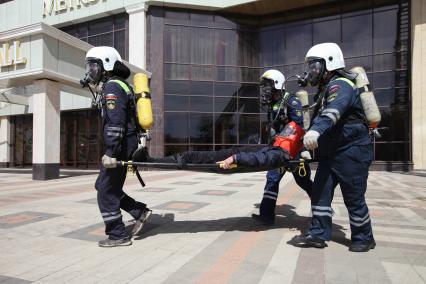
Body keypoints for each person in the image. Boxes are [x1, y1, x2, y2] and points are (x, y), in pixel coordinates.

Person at [291, 42, 375, 252]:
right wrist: (306, 145)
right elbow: (320, 120)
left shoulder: (341, 85)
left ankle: (364, 238)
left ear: (329, 63)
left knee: (353, 198)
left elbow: (333, 112)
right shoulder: (324, 91)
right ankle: (318, 234)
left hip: (352, 152)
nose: (311, 71)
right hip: (331, 155)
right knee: (320, 193)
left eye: (314, 66)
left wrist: (315, 132)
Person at [81, 46, 152, 247]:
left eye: (94, 65)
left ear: (107, 64)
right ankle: (139, 211)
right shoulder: (118, 84)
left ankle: (117, 235)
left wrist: (111, 152)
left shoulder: (112, 87)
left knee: (105, 192)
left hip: (120, 146)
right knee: (103, 186)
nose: (90, 70)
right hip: (125, 144)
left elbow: (115, 123)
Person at [251, 70, 313, 226]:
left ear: (277, 84)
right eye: (263, 86)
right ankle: (266, 216)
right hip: (278, 149)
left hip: (294, 151)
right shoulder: (273, 104)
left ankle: (322, 208)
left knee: (303, 181)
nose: (265, 89)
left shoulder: (291, 101)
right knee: (272, 179)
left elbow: (298, 126)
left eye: (267, 85)